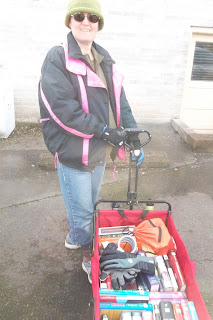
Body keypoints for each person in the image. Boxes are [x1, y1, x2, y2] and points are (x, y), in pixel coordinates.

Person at [38, 0, 143, 284]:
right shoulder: (57, 57)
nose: (86, 22)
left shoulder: (103, 57)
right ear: (69, 21)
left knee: (88, 204)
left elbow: (119, 101)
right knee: (84, 212)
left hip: (99, 151)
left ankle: (75, 236)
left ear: (99, 24)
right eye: (79, 16)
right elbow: (61, 107)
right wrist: (103, 130)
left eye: (92, 17)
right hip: (74, 152)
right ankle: (88, 256)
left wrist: (132, 137)